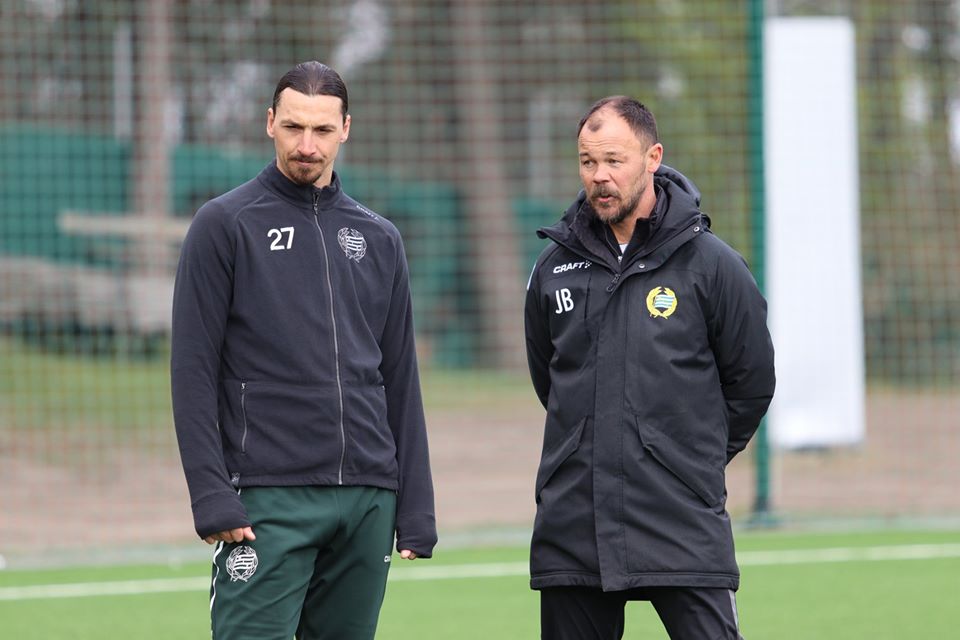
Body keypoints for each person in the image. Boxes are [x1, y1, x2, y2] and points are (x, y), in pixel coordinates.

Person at [171, 61, 436, 640]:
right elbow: (191, 371)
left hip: (367, 498)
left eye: (321, 130)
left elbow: (399, 377)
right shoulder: (224, 224)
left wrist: (416, 505)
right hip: (267, 498)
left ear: (346, 129)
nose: (307, 146)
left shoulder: (379, 237)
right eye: (293, 127)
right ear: (270, 122)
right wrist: (211, 493)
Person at [523, 96, 776, 639]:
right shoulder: (552, 267)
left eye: (614, 160)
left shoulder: (713, 264)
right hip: (574, 524)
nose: (600, 176)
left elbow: (751, 383)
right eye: (588, 162)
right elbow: (550, 377)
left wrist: (685, 455)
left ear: (652, 157)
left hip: (682, 518)